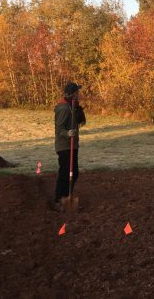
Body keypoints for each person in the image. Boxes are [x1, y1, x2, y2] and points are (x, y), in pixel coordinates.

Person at [53, 81, 86, 211]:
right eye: (77, 92)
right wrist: (67, 133)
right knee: (65, 173)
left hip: (73, 145)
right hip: (64, 146)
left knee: (74, 173)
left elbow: (81, 121)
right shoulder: (63, 108)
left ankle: (67, 197)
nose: (79, 94)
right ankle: (58, 200)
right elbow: (58, 128)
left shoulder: (73, 106)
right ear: (72, 94)